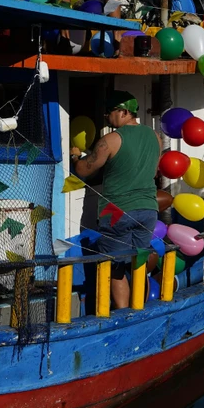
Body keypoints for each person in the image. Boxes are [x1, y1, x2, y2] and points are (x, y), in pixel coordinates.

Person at [69, 90, 159, 310]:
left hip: (116, 210)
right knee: (139, 263)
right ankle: (139, 309)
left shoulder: (110, 140)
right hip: (148, 209)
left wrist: (75, 155)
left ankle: (123, 313)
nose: (106, 117)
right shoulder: (156, 137)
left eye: (109, 112)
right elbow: (155, 171)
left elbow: (83, 169)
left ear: (123, 111)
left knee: (116, 266)